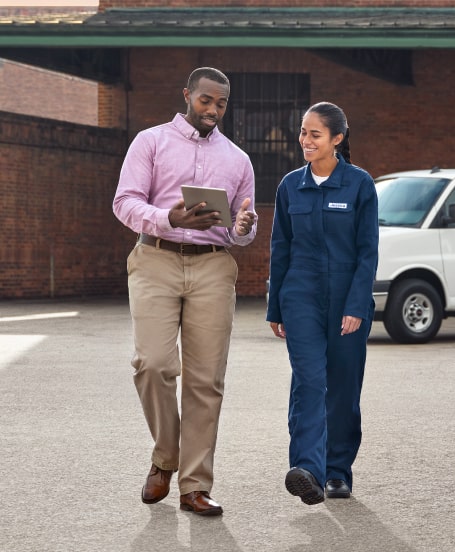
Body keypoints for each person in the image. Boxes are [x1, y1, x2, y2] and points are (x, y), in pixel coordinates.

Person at [113, 66, 257, 517]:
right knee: (152, 364)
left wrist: (243, 228)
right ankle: (165, 458)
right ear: (187, 96)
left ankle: (195, 485)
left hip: (214, 266)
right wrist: (168, 219)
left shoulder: (238, 160)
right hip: (155, 257)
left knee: (206, 380)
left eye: (221, 104)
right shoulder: (150, 142)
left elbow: (240, 229)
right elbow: (125, 201)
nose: (213, 110)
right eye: (206, 100)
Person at [267, 102, 379, 505]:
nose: (305, 140)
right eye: (302, 132)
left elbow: (368, 252)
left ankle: (337, 471)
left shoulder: (359, 185)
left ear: (337, 139)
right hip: (300, 296)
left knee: (343, 388)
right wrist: (274, 307)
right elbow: (281, 248)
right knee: (310, 381)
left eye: (314, 134)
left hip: (347, 299)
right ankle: (307, 470)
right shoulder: (289, 186)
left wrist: (356, 306)